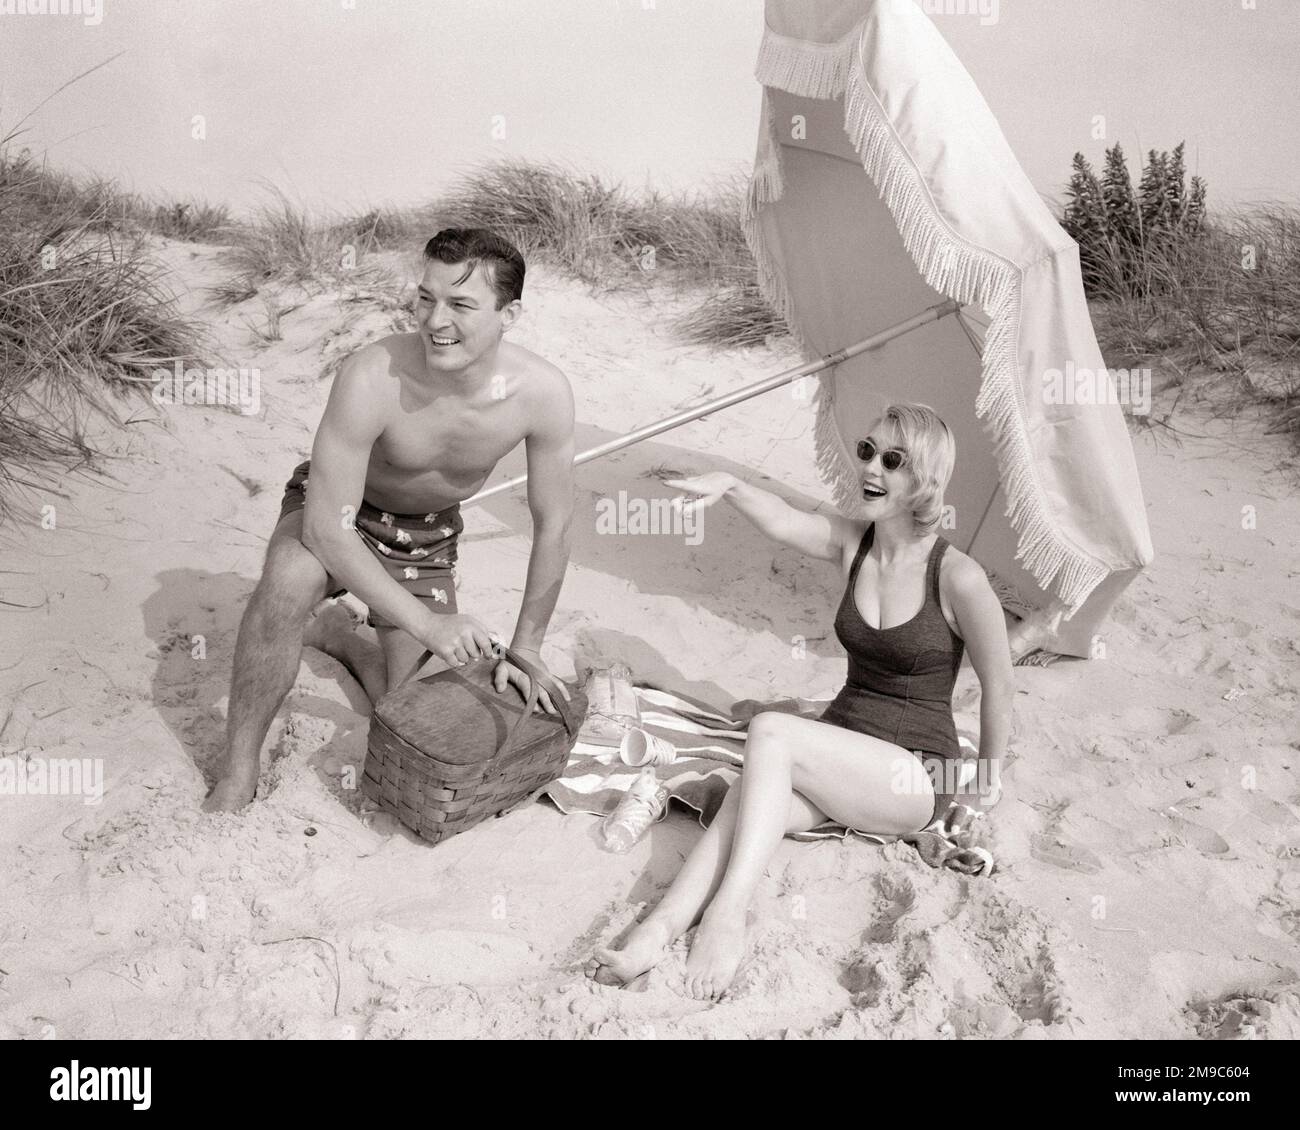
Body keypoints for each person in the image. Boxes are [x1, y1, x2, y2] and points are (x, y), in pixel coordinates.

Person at [592, 402, 1013, 998]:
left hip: (912, 775)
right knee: (746, 802)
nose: (871, 467)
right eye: (867, 451)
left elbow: (999, 685)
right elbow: (784, 519)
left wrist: (985, 783)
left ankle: (728, 914)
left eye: (893, 460)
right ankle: (659, 929)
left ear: (925, 479)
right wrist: (733, 485)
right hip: (841, 756)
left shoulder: (958, 576)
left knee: (771, 731)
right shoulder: (855, 544)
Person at [203, 228, 575, 813]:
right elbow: (328, 529)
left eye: (460, 304)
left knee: (410, 712)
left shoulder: (542, 393)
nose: (434, 319)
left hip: (425, 537)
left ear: (511, 313)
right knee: (287, 582)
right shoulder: (373, 372)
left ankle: (343, 637)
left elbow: (553, 525)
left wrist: (527, 646)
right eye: (426, 297)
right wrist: (431, 626)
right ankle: (239, 764)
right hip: (340, 510)